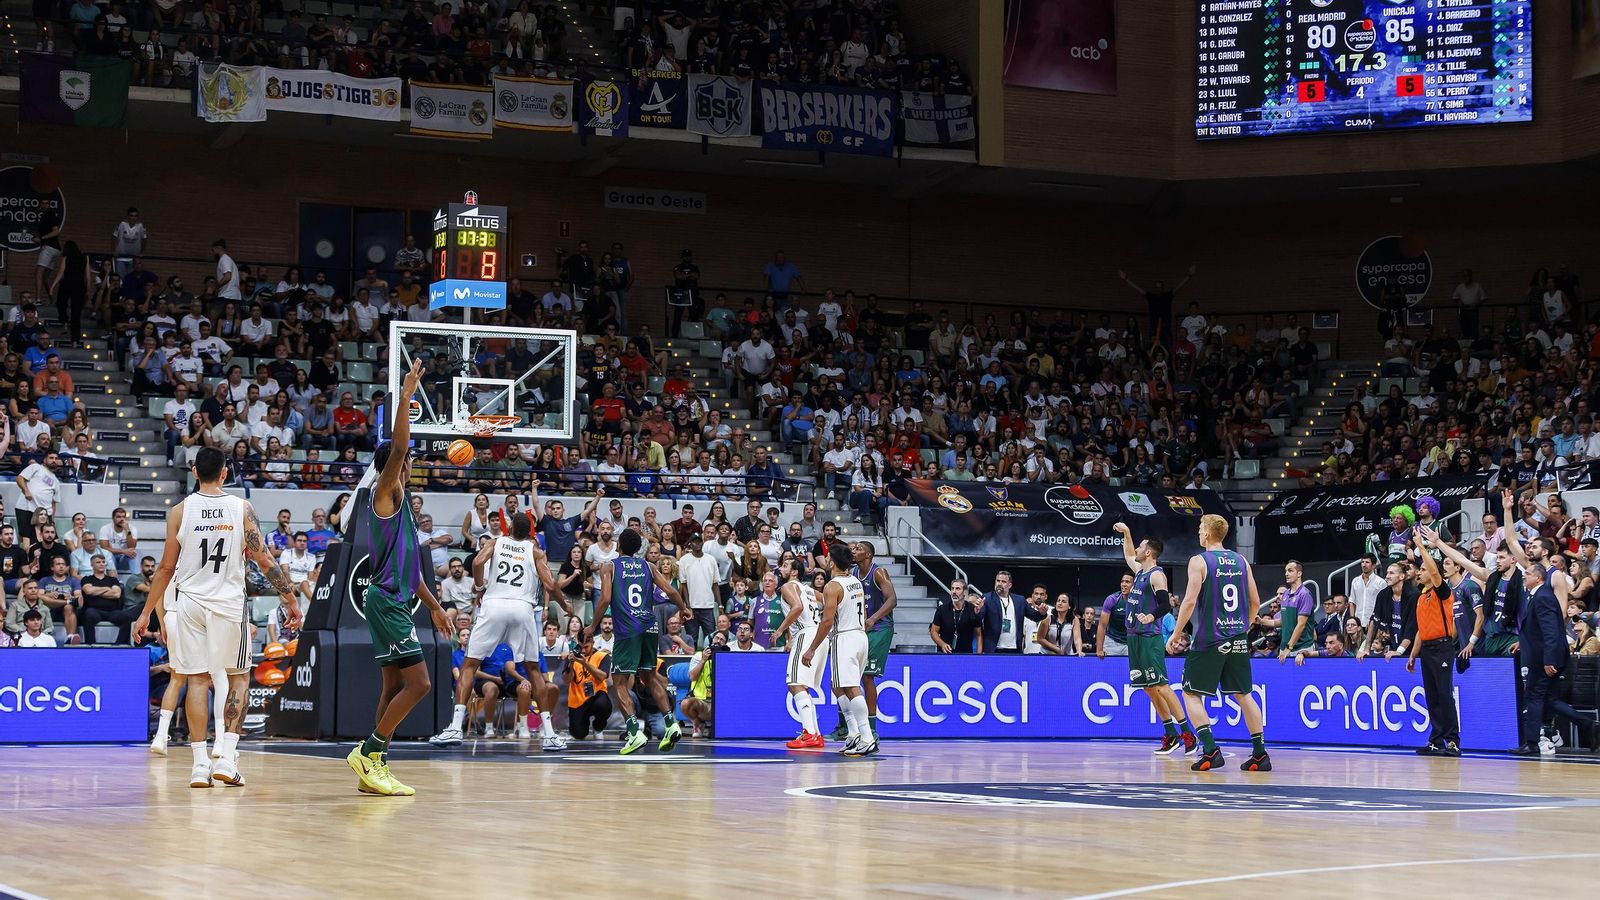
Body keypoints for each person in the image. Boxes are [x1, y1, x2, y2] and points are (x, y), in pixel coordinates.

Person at [130, 446, 300, 788]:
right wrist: (290, 599)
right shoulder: (241, 508)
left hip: (190, 602)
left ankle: (198, 765)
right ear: (225, 473)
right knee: (238, 679)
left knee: (196, 680)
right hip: (228, 604)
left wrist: (146, 612)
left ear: (195, 472)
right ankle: (225, 756)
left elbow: (165, 568)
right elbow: (264, 559)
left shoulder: (179, 510)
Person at [345, 361, 454, 796]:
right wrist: (407, 397)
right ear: (396, 466)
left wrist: (434, 605)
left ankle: (374, 770)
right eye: (407, 461)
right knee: (421, 683)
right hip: (387, 602)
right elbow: (397, 448)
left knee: (393, 685)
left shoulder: (404, 510)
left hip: (393, 596)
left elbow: (411, 572)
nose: (410, 466)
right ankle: (370, 751)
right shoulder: (385, 492)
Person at [430, 513, 568, 750]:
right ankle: (550, 734)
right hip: (522, 609)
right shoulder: (535, 551)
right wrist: (565, 606)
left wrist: (480, 586)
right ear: (530, 533)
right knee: (534, 669)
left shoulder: (495, 543)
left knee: (470, 665)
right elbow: (550, 584)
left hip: (493, 605)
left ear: (510, 527)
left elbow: (475, 563)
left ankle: (454, 728)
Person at [1167, 514, 1270, 773]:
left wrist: (1176, 633)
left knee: (1191, 694)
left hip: (1210, 638)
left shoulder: (1199, 561)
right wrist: (1242, 628)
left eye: (1200, 528)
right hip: (1236, 638)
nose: (1198, 532)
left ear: (1208, 534)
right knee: (1244, 694)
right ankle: (1260, 754)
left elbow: (1189, 602)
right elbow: (1256, 601)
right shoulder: (1241, 560)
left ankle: (1211, 750)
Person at [593, 527, 687, 754]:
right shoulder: (649, 566)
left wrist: (592, 625)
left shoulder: (610, 566)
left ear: (619, 546)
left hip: (627, 629)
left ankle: (634, 732)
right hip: (650, 625)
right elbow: (671, 592)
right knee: (649, 675)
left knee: (619, 681)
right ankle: (671, 723)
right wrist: (684, 609)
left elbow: (605, 598)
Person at [1112, 523, 1197, 756]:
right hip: (1134, 637)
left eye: (1141, 546)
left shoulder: (1157, 575)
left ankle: (1188, 734)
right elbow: (1129, 553)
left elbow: (1163, 604)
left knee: (1161, 686)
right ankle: (1170, 735)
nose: (1136, 550)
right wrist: (1127, 533)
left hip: (1150, 637)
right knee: (1148, 689)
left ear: (1148, 552)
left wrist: (1150, 615)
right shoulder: (1140, 571)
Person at [1511, 561, 1596, 755]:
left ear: (1538, 578)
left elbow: (1551, 631)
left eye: (1528, 573)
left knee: (1533, 697)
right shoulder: (1537, 596)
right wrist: (1522, 643)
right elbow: (1537, 630)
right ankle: (1590, 726)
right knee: (1549, 699)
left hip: (1545, 659)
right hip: (1545, 656)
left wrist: (1549, 660)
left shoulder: (1543, 597)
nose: (1524, 575)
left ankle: (1531, 743)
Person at [802, 544, 875, 757]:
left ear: (832, 562)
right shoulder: (856, 582)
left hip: (845, 637)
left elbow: (826, 621)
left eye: (827, 557)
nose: (825, 559)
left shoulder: (832, 586)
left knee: (851, 687)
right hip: (860, 636)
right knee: (837, 685)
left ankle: (867, 736)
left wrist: (812, 648)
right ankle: (853, 734)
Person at [1405, 528, 1461, 756]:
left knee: (1445, 695)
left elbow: (1435, 573)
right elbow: (1421, 630)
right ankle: (1436, 741)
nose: (1418, 573)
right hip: (1427, 650)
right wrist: (1413, 654)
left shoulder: (1442, 592)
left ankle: (1453, 741)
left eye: (1422, 570)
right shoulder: (1421, 598)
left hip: (1443, 648)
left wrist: (1420, 546)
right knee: (1432, 697)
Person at [1096, 574, 1133, 657]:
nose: (1124, 584)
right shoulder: (1112, 599)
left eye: (1127, 582)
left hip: (1131, 642)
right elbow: (1102, 626)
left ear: (1134, 585)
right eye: (1122, 581)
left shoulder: (1140, 601)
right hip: (1112, 641)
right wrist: (1099, 649)